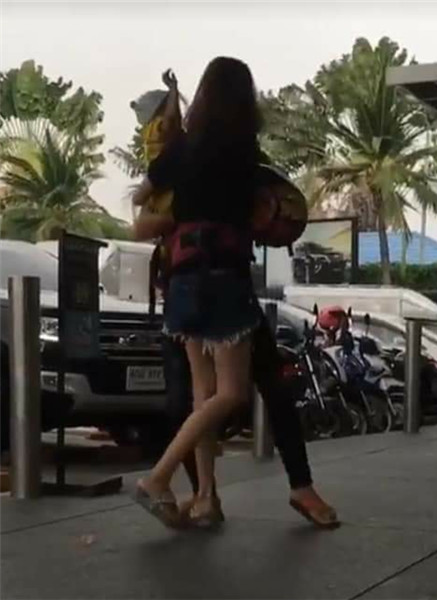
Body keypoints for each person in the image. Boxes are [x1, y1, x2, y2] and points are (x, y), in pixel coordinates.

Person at [132, 58, 338, 530]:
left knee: (203, 395)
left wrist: (181, 211)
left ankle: (206, 497)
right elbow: (269, 217)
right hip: (224, 280)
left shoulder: (180, 150)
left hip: (181, 282)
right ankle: (158, 478)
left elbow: (141, 201)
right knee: (231, 393)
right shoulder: (244, 156)